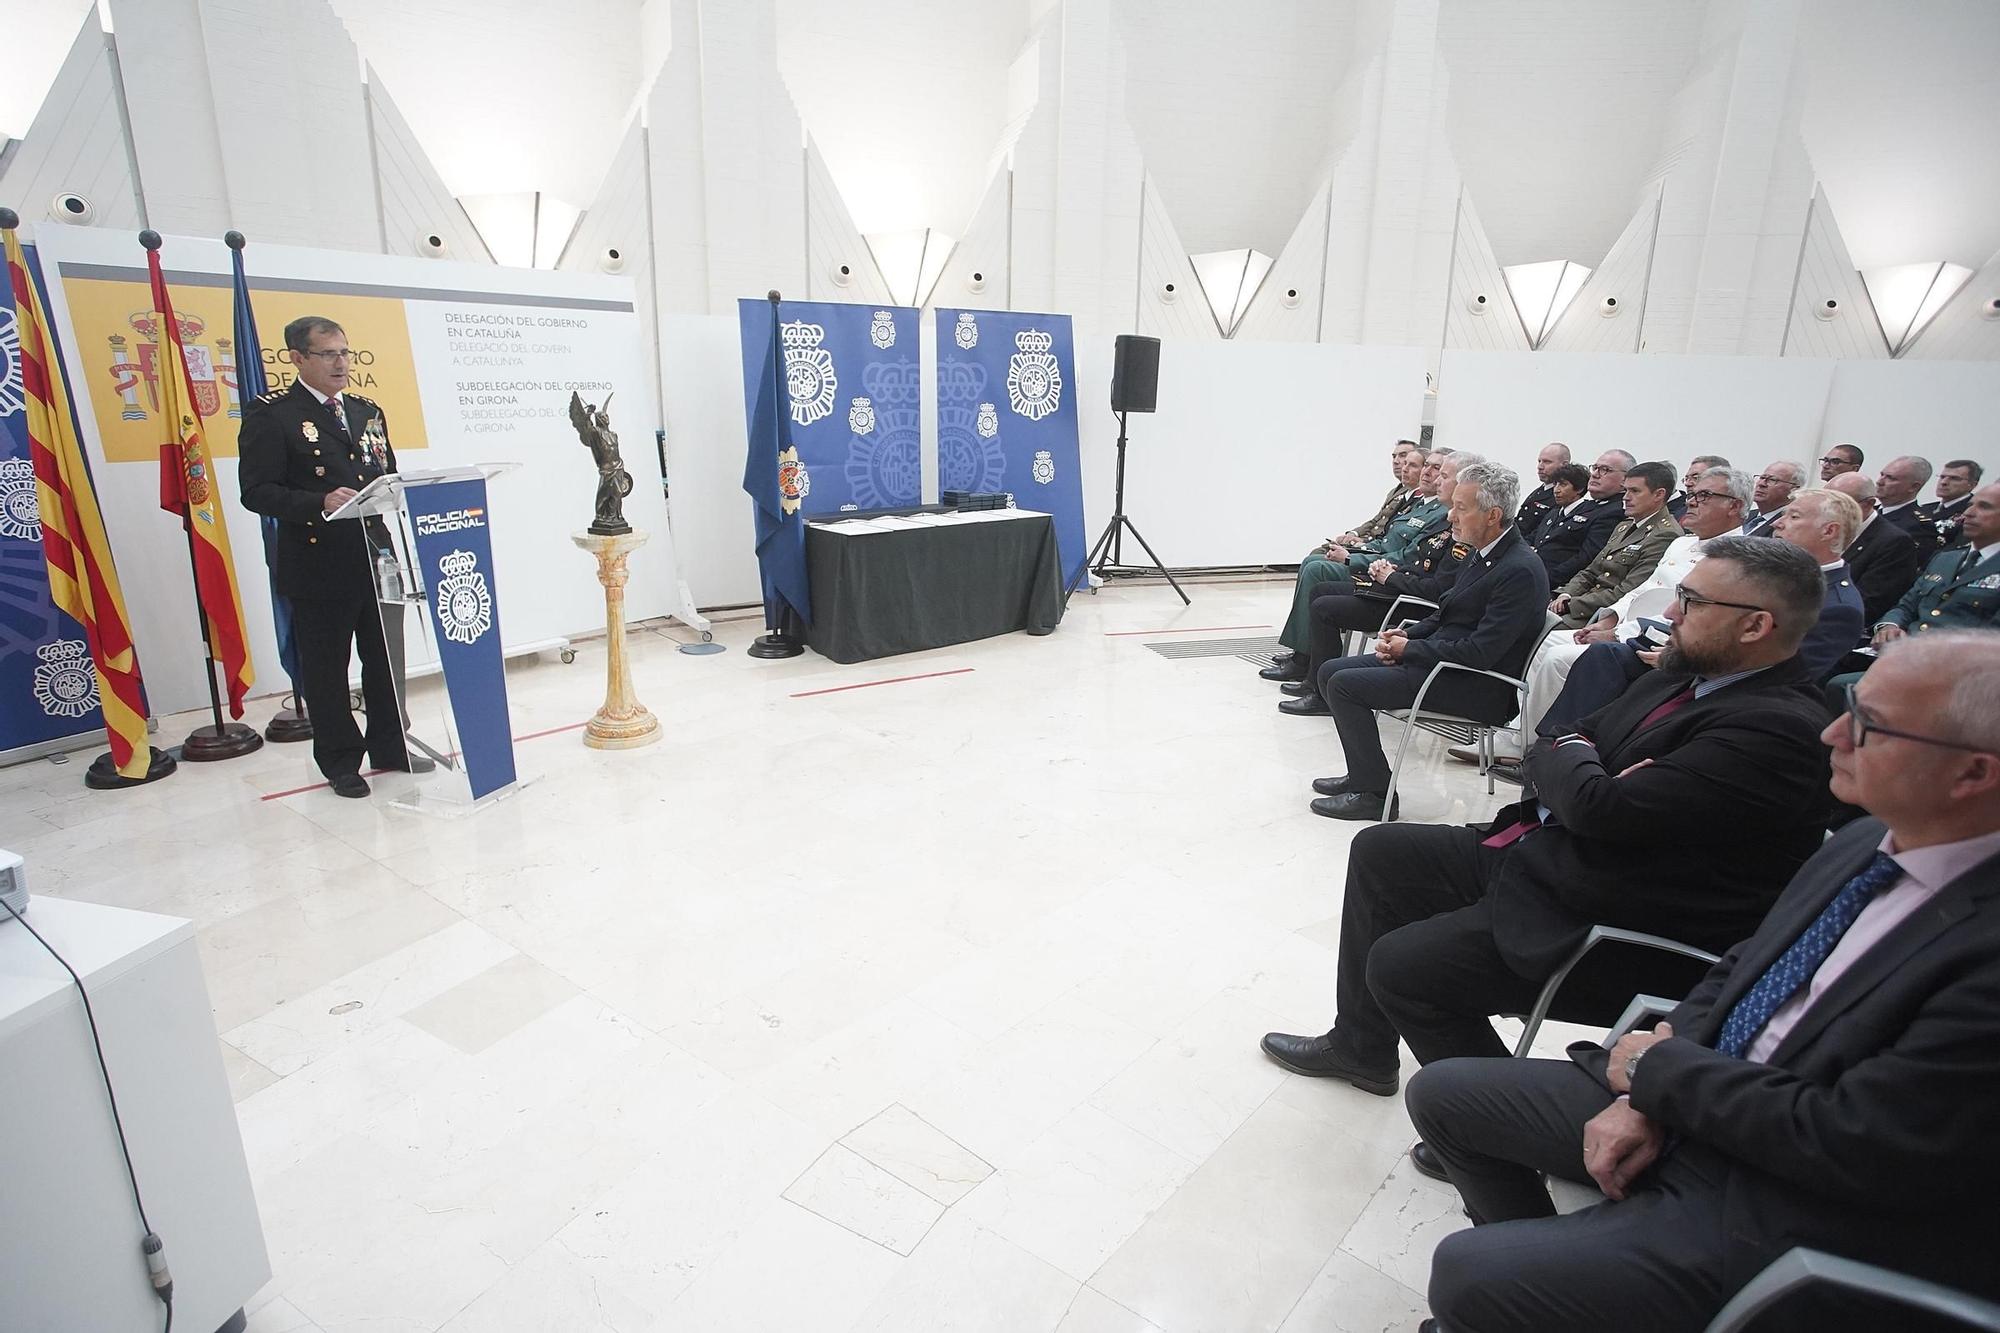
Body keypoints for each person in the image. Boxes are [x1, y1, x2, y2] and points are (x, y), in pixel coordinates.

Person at [1407, 630, 2000, 1333]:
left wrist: (1662, 1076)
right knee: (1444, 1095)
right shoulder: (1872, 839)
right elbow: (1747, 965)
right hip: (1707, 1097)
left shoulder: (1981, 946)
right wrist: (1654, 1083)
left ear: (1972, 773)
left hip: (1791, 1199)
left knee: (1467, 1272)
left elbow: (1854, 1139)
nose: (1834, 732)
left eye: (1867, 723)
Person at [1260, 537, 1833, 1097]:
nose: (1672, 615)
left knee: (1403, 967)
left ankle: (1488, 1120)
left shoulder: (1775, 728)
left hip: (1623, 914)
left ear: (1756, 625)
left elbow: (1596, 804)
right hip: (1565, 854)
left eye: (1691, 602)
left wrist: (1580, 766)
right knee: (1384, 851)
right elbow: (1555, 738)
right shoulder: (1687, 675)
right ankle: (1362, 1047)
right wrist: (1581, 762)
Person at [238, 315, 425, 797]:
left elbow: (387, 472)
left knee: (384, 659)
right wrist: (316, 502)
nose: (341, 363)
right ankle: (341, 760)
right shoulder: (273, 414)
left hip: (375, 555)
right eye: (328, 354)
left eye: (345, 352)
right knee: (327, 668)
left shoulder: (366, 410)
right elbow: (256, 492)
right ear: (297, 358)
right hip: (318, 561)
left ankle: (389, 744)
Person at [1455, 466, 1750, 768]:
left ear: (1735, 506)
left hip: (1657, 641)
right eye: (1692, 494)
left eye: (1704, 495)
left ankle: (1529, 743)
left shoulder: (1738, 558)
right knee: (1544, 641)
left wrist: (1618, 634)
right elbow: (1641, 590)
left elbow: (1683, 613)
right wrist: (1610, 618)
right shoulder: (1682, 543)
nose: (1691, 501)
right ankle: (1518, 726)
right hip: (1625, 623)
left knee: (1558, 658)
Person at [1303, 463, 1547, 821]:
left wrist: (1410, 650)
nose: (1451, 516)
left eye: (1462, 508)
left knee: (1344, 684)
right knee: (1330, 671)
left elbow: (1482, 652)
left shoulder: (1518, 569)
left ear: (1493, 515)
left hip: (1475, 683)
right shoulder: (1486, 553)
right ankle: (1365, 774)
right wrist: (1407, 635)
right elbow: (1448, 612)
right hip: (1446, 664)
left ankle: (1375, 796)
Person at [1281, 454, 1486, 714]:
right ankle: (1311, 673)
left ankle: (1320, 693)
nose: (1434, 478)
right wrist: (1388, 569)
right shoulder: (1439, 516)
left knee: (1324, 605)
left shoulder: (1458, 530)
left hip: (1412, 603)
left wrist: (1391, 576)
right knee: (1321, 591)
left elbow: (1439, 589)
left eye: (1443, 474)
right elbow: (1415, 558)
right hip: (1399, 588)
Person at [1264, 446, 1433, 681]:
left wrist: (1354, 556)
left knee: (1316, 569)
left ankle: (1304, 658)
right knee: (1315, 560)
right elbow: (1381, 531)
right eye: (1398, 460)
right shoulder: (1409, 497)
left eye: (1413, 464)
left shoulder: (1437, 512)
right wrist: (1356, 540)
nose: (1403, 466)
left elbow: (1403, 555)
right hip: (1377, 561)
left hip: (1388, 577)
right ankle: (1304, 652)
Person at [1546, 462, 1682, 629]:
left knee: (1533, 635)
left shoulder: (1664, 535)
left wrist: (1571, 604)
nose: (1625, 497)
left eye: (1635, 491)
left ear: (1659, 495)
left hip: (1598, 616)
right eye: (1625, 490)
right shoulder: (1624, 526)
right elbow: (1591, 570)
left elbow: (1626, 591)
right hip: (1578, 604)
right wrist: (1566, 594)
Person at [1825, 471, 1920, 626]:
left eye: (1837, 503)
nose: (1827, 509)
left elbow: (1870, 602)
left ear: (1868, 504)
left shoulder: (1893, 542)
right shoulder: (1824, 528)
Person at [1528, 451, 1630, 590]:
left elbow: (1586, 559)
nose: (1595, 474)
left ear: (1625, 479)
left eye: (1605, 470)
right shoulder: (1589, 506)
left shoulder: (1615, 511)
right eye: (1595, 468)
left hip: (1556, 584)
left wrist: (1543, 579)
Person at [1876, 455, 1943, 563]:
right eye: (1882, 475)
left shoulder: (1919, 527)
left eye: (1891, 478)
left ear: (1913, 487)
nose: (1879, 482)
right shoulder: (1867, 511)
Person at [1919, 458, 1982, 549]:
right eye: (1942, 477)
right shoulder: (1924, 509)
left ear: (1972, 485)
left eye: (1954, 478)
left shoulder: (1973, 513)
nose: (1944, 482)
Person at [1513, 443, 1572, 536]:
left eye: (1547, 462)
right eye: (1539, 461)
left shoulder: (1563, 496)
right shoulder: (1540, 491)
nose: (1540, 467)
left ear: (1564, 465)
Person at [1738, 459, 1804, 537]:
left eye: (1772, 480)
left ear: (1794, 489)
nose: (1761, 484)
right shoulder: (1744, 516)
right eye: (1762, 478)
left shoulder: (1790, 524)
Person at [1665, 454, 1727, 522]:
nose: (1687, 484)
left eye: (1695, 478)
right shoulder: (1677, 516)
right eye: (1686, 478)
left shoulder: (1733, 518)